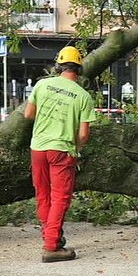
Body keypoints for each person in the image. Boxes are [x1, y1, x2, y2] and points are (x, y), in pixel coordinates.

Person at [24, 46, 96, 263]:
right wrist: (76, 146)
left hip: (38, 147)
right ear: (79, 69)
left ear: (58, 66)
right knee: (60, 197)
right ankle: (51, 246)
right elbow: (83, 135)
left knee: (43, 194)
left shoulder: (42, 84)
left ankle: (51, 236)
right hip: (62, 150)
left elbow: (29, 114)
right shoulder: (83, 97)